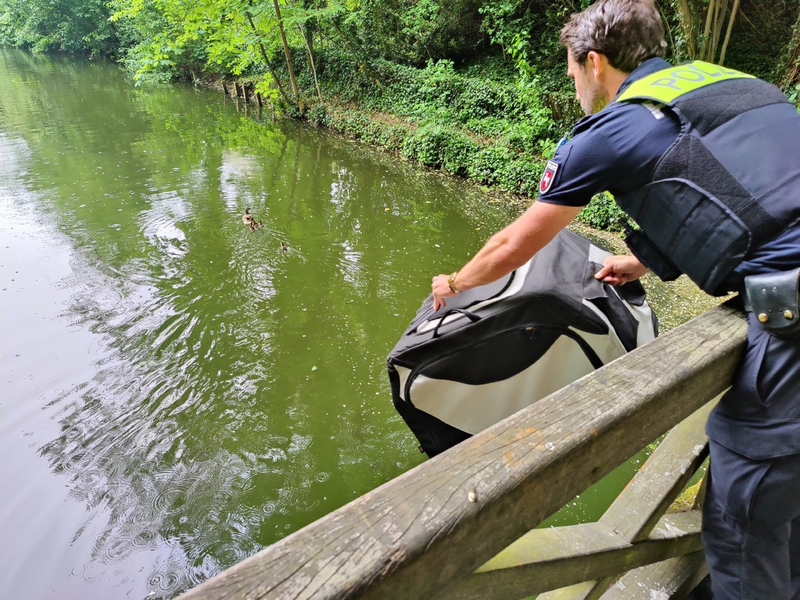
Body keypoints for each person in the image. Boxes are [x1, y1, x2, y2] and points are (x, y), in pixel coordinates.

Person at [430, 0, 800, 597]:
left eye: (572, 71)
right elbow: (741, 198)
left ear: (594, 62)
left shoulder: (609, 130)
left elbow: (511, 244)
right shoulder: (726, 84)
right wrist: (638, 260)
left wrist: (454, 283)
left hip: (793, 307)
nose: (574, 83)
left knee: (745, 504)